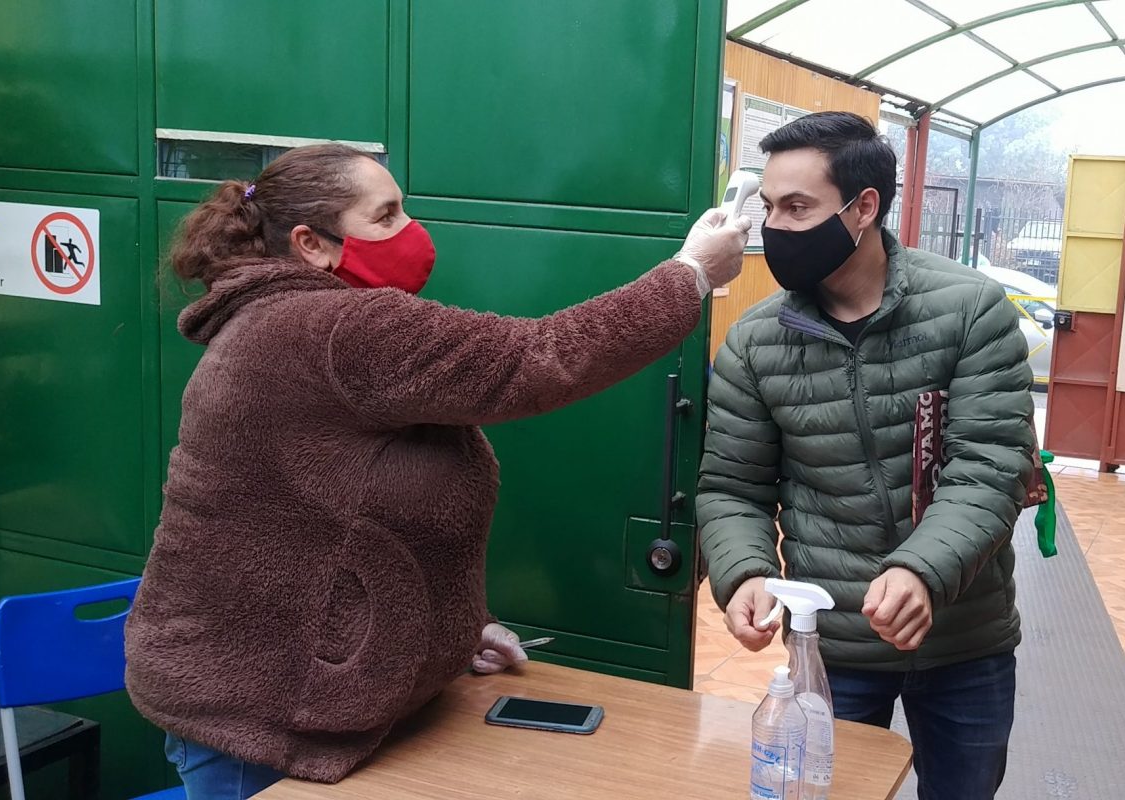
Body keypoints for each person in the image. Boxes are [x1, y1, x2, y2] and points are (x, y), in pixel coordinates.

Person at [125, 143, 749, 799]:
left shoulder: (285, 320)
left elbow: (324, 525)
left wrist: (444, 633)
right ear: (311, 244)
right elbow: (537, 358)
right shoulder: (338, 326)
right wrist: (690, 274)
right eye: (385, 215)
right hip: (259, 726)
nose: (412, 231)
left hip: (281, 698)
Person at [697, 112, 1034, 799]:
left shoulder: (970, 310)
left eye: (797, 207)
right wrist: (745, 572)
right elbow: (732, 486)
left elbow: (991, 467)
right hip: (833, 645)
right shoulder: (756, 343)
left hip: (964, 636)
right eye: (769, 208)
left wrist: (922, 570)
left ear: (864, 208)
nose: (775, 227)